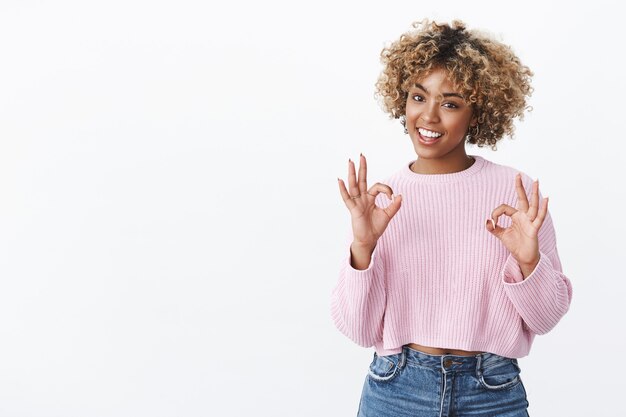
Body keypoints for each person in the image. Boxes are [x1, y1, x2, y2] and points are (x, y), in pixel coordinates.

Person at [331, 19, 573, 417]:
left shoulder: (515, 195)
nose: (428, 117)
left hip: (492, 392)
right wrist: (363, 247)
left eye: (450, 103)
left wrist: (530, 263)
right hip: (397, 391)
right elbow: (358, 330)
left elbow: (545, 319)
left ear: (477, 113)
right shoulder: (382, 202)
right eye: (417, 97)